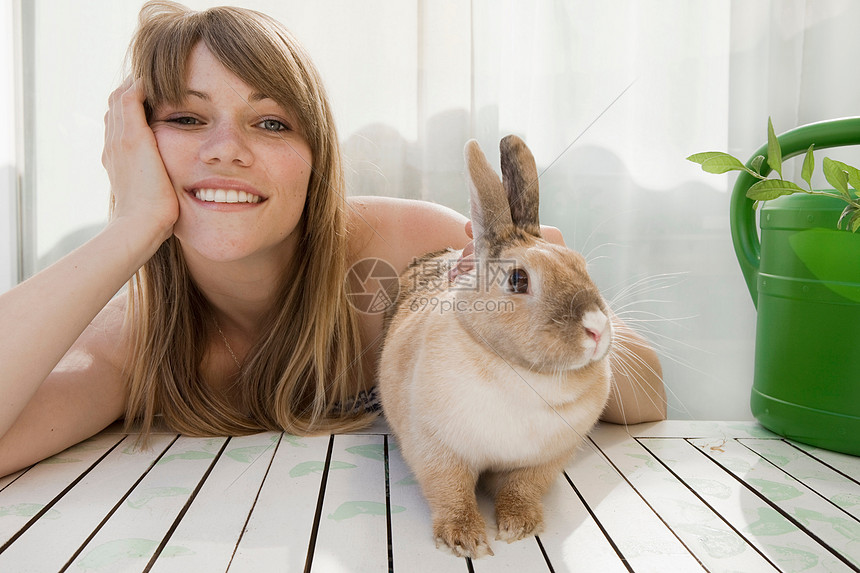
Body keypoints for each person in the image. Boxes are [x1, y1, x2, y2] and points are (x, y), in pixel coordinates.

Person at [0, 1, 665, 478]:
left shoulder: (413, 250)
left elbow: (648, 394)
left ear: (316, 160)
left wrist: (542, 322)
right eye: (186, 116)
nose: (226, 149)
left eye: (268, 122)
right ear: (136, 145)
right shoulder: (135, 342)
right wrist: (133, 226)